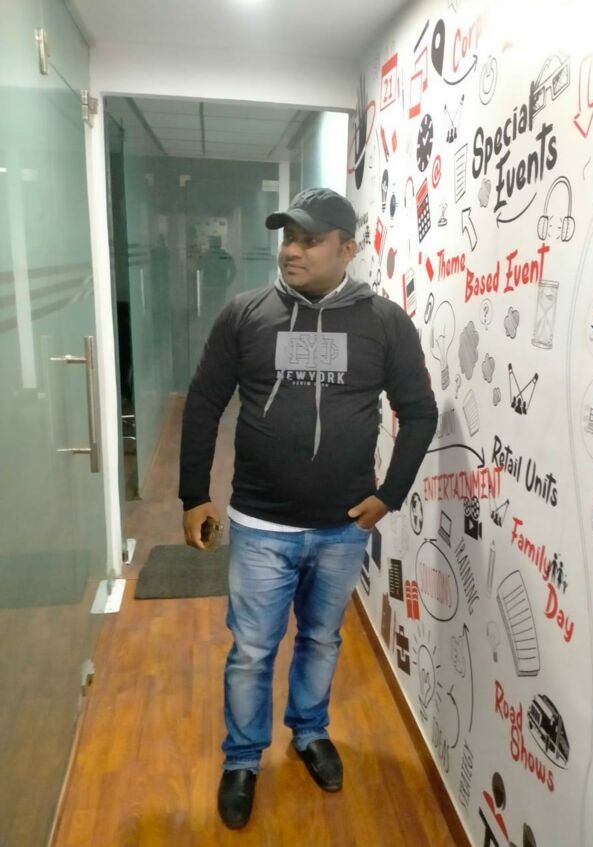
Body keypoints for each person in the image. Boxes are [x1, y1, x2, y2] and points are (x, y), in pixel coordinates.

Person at [179, 187, 438, 829]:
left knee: (321, 639)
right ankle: (243, 759)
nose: (291, 251)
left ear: (347, 249)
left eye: (309, 240)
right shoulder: (245, 315)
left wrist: (391, 493)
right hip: (260, 522)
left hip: (342, 527)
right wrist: (194, 494)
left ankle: (310, 731)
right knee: (251, 650)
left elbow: (419, 411)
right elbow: (204, 401)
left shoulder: (384, 323)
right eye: (287, 238)